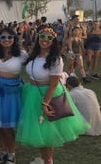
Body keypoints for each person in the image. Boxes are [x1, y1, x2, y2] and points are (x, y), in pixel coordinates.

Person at [16, 26, 90, 164]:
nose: (45, 40)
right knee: (40, 130)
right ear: (38, 37)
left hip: (47, 94)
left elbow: (54, 84)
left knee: (47, 130)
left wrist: (45, 103)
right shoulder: (33, 54)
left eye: (49, 38)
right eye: (42, 36)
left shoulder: (56, 59)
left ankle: (48, 160)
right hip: (32, 92)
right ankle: (44, 158)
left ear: (53, 41)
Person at [0, 27, 28, 164]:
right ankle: (3, 151)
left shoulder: (22, 54)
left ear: (14, 39)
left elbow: (33, 67)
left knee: (7, 125)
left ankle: (12, 153)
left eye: (10, 37)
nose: (6, 40)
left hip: (12, 92)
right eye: (3, 37)